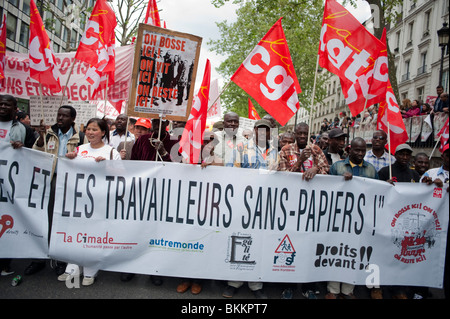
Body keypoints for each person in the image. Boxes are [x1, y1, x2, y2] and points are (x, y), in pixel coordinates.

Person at [25, 105, 87, 277]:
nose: (60, 119)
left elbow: (86, 157)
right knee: (42, 218)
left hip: (68, 182)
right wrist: (40, 139)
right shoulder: (49, 133)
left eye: (64, 116)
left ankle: (60, 259)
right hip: (48, 179)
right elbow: (36, 153)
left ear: (72, 119)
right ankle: (38, 258)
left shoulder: (80, 137)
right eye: (59, 115)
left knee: (62, 221)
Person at [57, 118, 120, 286]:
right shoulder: (79, 149)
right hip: (78, 200)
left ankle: (91, 269)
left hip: (100, 201)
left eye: (95, 129)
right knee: (76, 233)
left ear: (103, 132)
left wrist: (106, 166)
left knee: (94, 235)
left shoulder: (111, 152)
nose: (91, 132)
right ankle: (73, 266)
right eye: (89, 129)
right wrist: (70, 159)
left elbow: (121, 175)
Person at [222, 120, 276, 299]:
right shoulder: (241, 148)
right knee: (238, 239)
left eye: (266, 131)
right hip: (243, 202)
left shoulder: (275, 151)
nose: (263, 133)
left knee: (259, 242)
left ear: (270, 133)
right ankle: (233, 282)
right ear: (254, 131)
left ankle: (255, 284)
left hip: (264, 204)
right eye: (260, 129)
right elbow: (231, 171)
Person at [278, 123, 328, 299]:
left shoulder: (315, 149)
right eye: (299, 133)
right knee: (289, 245)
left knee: (309, 245)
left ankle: (308, 286)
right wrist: (299, 161)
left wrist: (316, 169)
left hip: (311, 207)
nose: (301, 136)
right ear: (295, 133)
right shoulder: (286, 150)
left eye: (304, 134)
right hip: (290, 205)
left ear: (308, 135)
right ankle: (288, 286)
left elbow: (327, 170)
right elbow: (282, 175)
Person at [328, 137, 378, 299]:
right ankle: (333, 290)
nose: (360, 153)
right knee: (336, 252)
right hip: (339, 218)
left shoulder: (370, 169)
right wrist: (341, 181)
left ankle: (348, 290)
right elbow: (327, 188)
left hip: (360, 220)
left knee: (353, 254)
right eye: (357, 150)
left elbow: (377, 191)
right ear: (350, 150)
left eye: (363, 150)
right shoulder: (337, 167)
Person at [130, 118, 177, 286]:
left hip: (163, 193)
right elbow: (133, 163)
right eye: (154, 124)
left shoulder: (173, 141)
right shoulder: (142, 140)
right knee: (138, 230)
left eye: (161, 124)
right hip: (142, 191)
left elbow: (178, 169)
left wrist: (164, 152)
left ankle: (154, 269)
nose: (157, 127)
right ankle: (131, 268)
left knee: (158, 233)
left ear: (166, 125)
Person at [176, 131, 223, 295]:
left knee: (202, 243)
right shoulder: (188, 157)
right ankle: (184, 278)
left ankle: (198, 279)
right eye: (204, 141)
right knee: (186, 241)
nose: (207, 144)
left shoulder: (218, 160)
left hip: (208, 208)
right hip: (187, 206)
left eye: (211, 141)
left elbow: (227, 175)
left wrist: (212, 166)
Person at [378, 143, 420, 299]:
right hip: (386, 219)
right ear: (395, 155)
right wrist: (383, 185)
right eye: (401, 154)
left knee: (401, 255)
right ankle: (377, 287)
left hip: (405, 222)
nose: (404, 157)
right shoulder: (384, 172)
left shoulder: (415, 176)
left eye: (407, 154)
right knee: (382, 255)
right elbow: (376, 193)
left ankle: (399, 289)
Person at [0, 94, 35, 276]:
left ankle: (5, 263)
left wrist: (23, 148)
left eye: (8, 105)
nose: (3, 107)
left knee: (8, 219)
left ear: (16, 109)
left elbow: (33, 153)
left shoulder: (24, 129)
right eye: (1, 104)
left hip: (11, 185)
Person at [420, 143, 449, 299]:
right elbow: (418, 193)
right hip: (434, 225)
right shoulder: (431, 173)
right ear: (442, 155)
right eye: (448, 155)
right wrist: (428, 184)